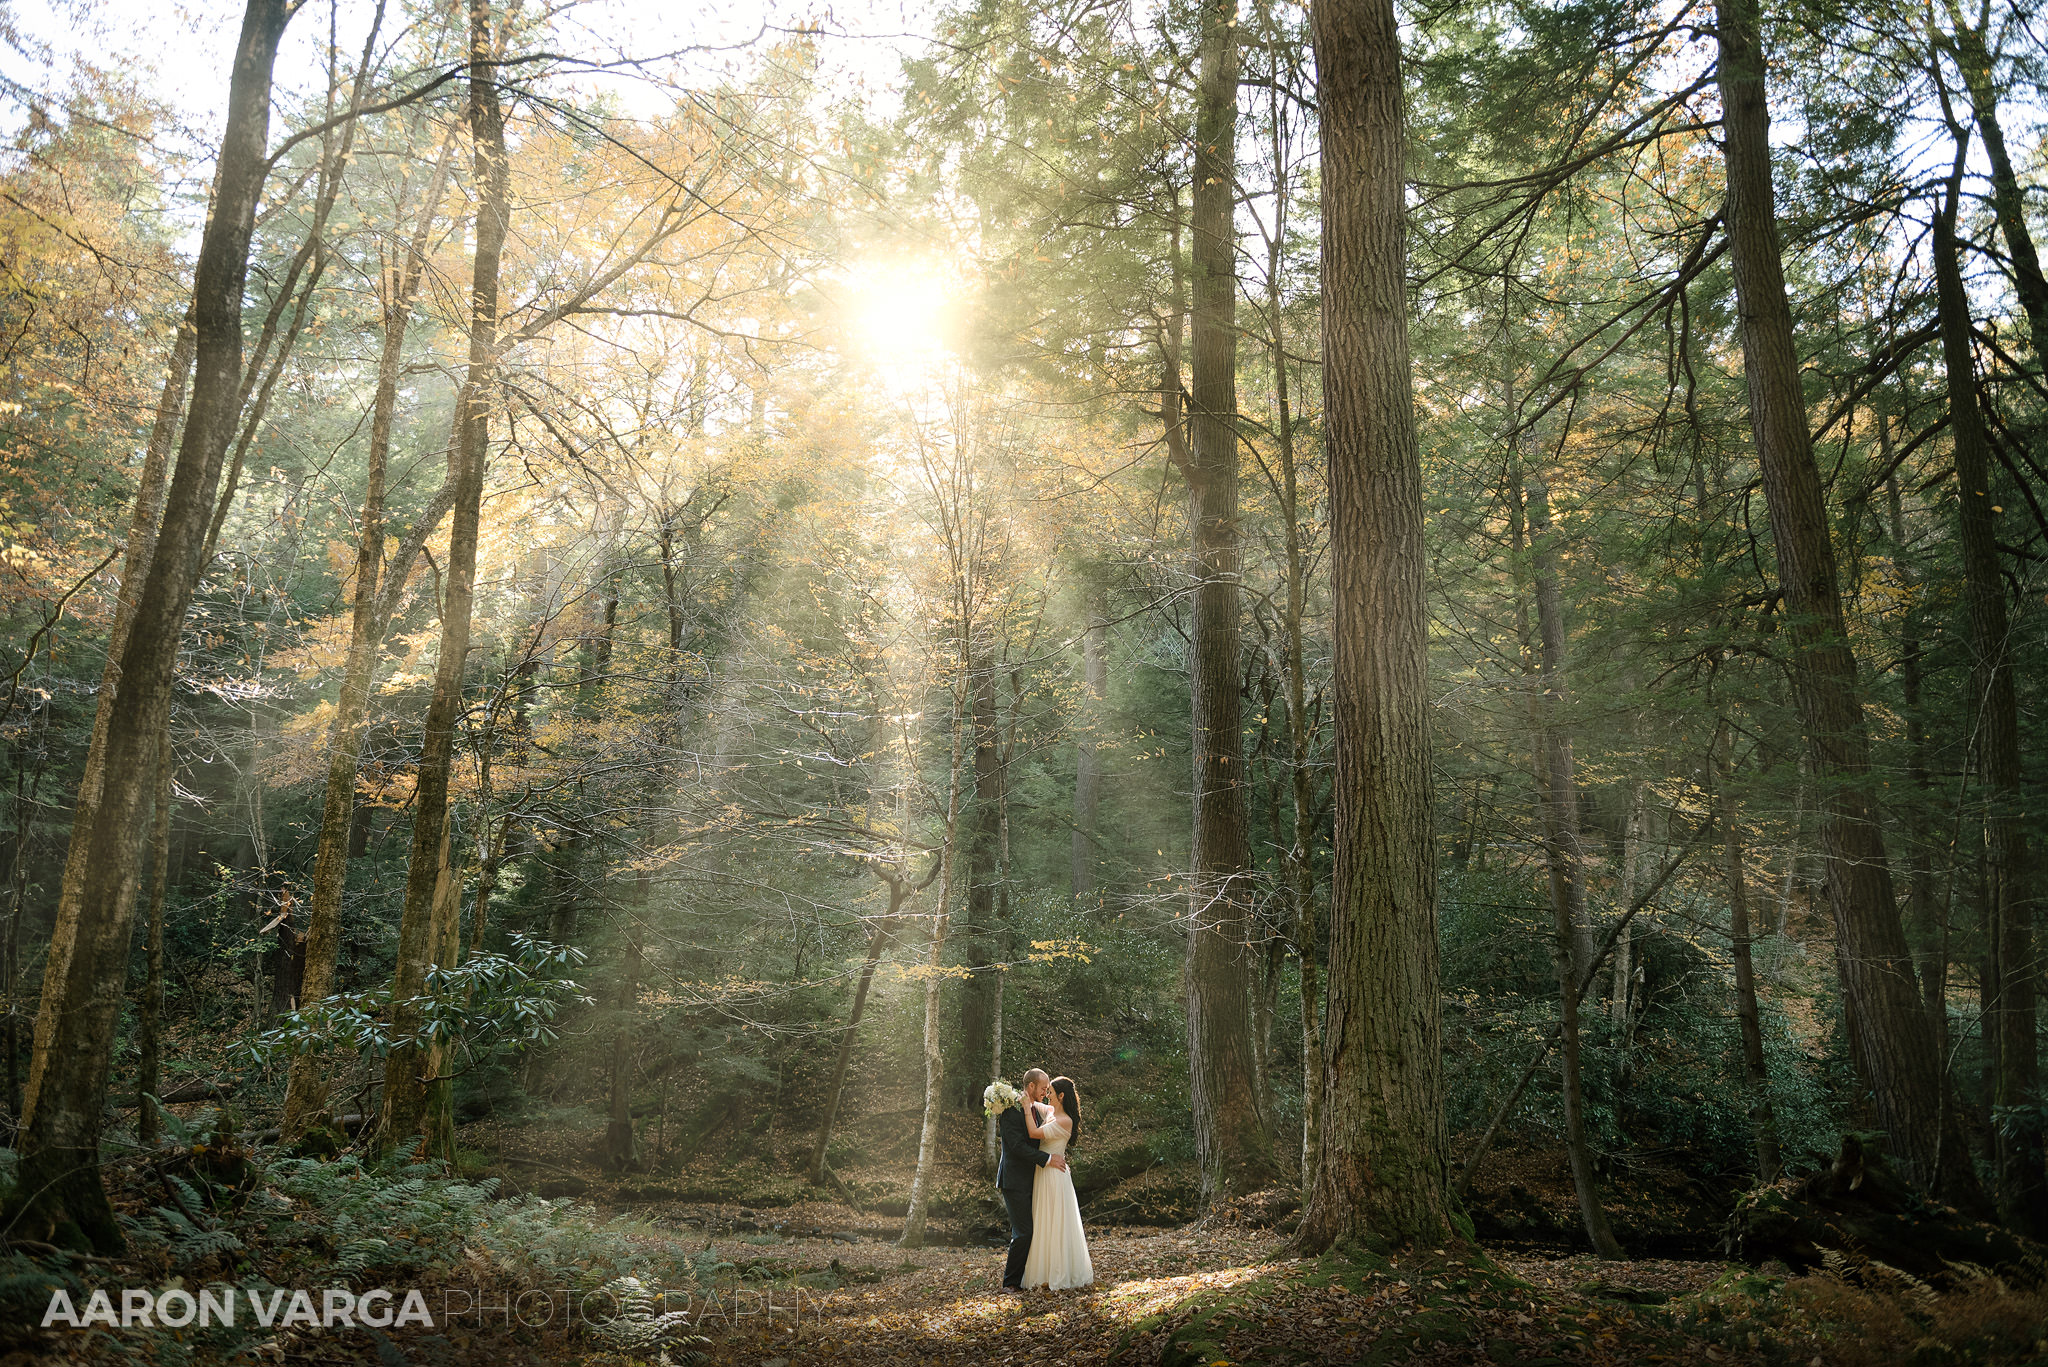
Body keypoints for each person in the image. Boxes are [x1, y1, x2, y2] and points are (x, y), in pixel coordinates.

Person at [995, 1068, 1066, 1295]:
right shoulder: (1011, 1110)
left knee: (1034, 1230)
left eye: (1048, 1090)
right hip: (1014, 1179)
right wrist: (1047, 1159)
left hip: (1033, 1180)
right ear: (1031, 1086)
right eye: (1043, 1088)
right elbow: (1016, 1146)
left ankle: (1028, 1277)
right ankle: (1009, 1283)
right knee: (1023, 1232)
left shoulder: (1035, 1108)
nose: (1046, 1093)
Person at [1020, 1075, 1093, 1291]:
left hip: (1054, 1175)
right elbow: (1036, 1103)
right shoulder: (1052, 1112)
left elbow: (1034, 1132)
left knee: (1056, 1222)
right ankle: (1043, 1271)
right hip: (1043, 1173)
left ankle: (1059, 1272)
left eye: (1050, 1092)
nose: (1047, 1095)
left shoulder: (1065, 1120)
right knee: (1043, 1221)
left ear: (1061, 1095)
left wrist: (1026, 1110)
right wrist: (1016, 1096)